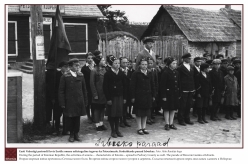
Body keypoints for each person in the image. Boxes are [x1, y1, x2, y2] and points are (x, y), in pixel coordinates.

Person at [58, 58, 88, 142]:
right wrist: (62, 103)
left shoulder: (81, 75)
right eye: (76, 65)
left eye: (79, 65)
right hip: (69, 101)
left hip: (79, 101)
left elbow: (84, 89)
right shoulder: (65, 76)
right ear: (70, 66)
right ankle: (71, 134)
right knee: (70, 118)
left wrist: (85, 100)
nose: (78, 67)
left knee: (77, 118)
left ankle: (76, 134)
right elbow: (61, 91)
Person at [130, 58, 155, 135]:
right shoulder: (136, 74)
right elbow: (132, 86)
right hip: (139, 96)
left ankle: (144, 127)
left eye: (146, 64)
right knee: (139, 113)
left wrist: (153, 95)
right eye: (143, 64)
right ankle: (139, 128)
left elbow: (152, 85)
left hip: (147, 96)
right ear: (140, 65)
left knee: (145, 113)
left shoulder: (150, 73)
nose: (144, 66)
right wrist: (133, 96)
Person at [103, 56, 127, 138]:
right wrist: (108, 98)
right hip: (112, 97)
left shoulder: (121, 73)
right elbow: (105, 87)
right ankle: (113, 130)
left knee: (118, 114)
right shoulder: (108, 74)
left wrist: (124, 98)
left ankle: (117, 130)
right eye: (115, 63)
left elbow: (125, 86)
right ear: (111, 64)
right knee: (112, 114)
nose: (117, 65)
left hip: (119, 96)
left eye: (118, 63)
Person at [160, 57, 179, 130]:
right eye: (173, 63)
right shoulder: (165, 72)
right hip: (168, 94)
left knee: (173, 109)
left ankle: (171, 123)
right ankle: (167, 123)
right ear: (169, 64)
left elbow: (178, 84)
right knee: (167, 109)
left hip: (174, 94)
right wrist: (163, 95)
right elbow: (162, 85)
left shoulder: (176, 72)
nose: (175, 65)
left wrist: (178, 94)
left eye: (176, 63)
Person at [90, 54, 108, 131]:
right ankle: (97, 125)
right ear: (99, 62)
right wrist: (95, 94)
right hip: (98, 94)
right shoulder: (94, 71)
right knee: (97, 109)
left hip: (104, 94)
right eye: (102, 60)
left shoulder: (104, 70)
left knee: (102, 109)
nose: (104, 62)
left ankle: (101, 123)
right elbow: (92, 83)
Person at [177, 53, 195, 126]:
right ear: (184, 59)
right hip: (184, 89)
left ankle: (187, 119)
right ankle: (181, 119)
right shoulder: (180, 68)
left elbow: (193, 78)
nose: (189, 60)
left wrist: (193, 88)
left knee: (189, 104)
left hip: (190, 88)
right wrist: (180, 89)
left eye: (190, 58)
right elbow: (179, 79)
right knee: (182, 105)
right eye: (188, 58)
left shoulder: (191, 66)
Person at [54, 61, 70, 135]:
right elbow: (54, 87)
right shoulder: (57, 75)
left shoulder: (68, 75)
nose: (67, 68)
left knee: (66, 114)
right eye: (65, 67)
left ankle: (65, 129)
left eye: (67, 67)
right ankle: (56, 129)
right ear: (61, 68)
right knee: (57, 114)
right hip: (58, 97)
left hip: (66, 97)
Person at [81, 52, 95, 123]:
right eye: (88, 58)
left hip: (93, 87)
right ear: (86, 59)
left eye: (91, 58)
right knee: (88, 102)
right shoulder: (84, 68)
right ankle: (88, 116)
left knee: (93, 102)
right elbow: (83, 79)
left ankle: (93, 115)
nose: (90, 59)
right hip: (87, 87)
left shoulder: (94, 67)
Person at [119, 57, 131, 128]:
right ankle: (121, 121)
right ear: (120, 63)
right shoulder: (119, 71)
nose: (125, 64)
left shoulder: (128, 70)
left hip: (128, 90)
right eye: (123, 62)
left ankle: (125, 120)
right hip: (122, 90)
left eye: (126, 62)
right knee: (121, 107)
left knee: (126, 106)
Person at [147, 57, 158, 124]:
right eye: (149, 63)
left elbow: (156, 81)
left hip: (153, 89)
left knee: (152, 105)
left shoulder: (154, 70)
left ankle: (151, 116)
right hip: (148, 89)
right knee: (148, 105)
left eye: (151, 63)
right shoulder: (146, 71)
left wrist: (156, 90)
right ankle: (147, 118)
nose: (150, 64)